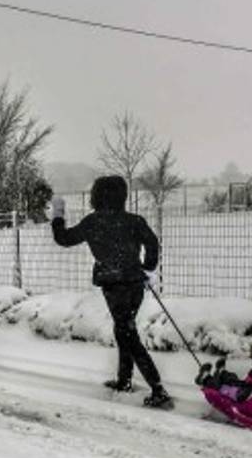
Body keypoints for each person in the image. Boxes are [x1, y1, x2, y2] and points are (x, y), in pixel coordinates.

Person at [51, 175, 173, 409]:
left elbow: (64, 239)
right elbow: (152, 242)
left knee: (127, 333)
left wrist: (58, 214)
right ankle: (124, 380)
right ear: (122, 196)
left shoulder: (93, 222)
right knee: (124, 329)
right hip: (134, 283)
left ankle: (158, 390)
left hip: (114, 284)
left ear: (97, 196)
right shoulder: (134, 221)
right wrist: (147, 265)